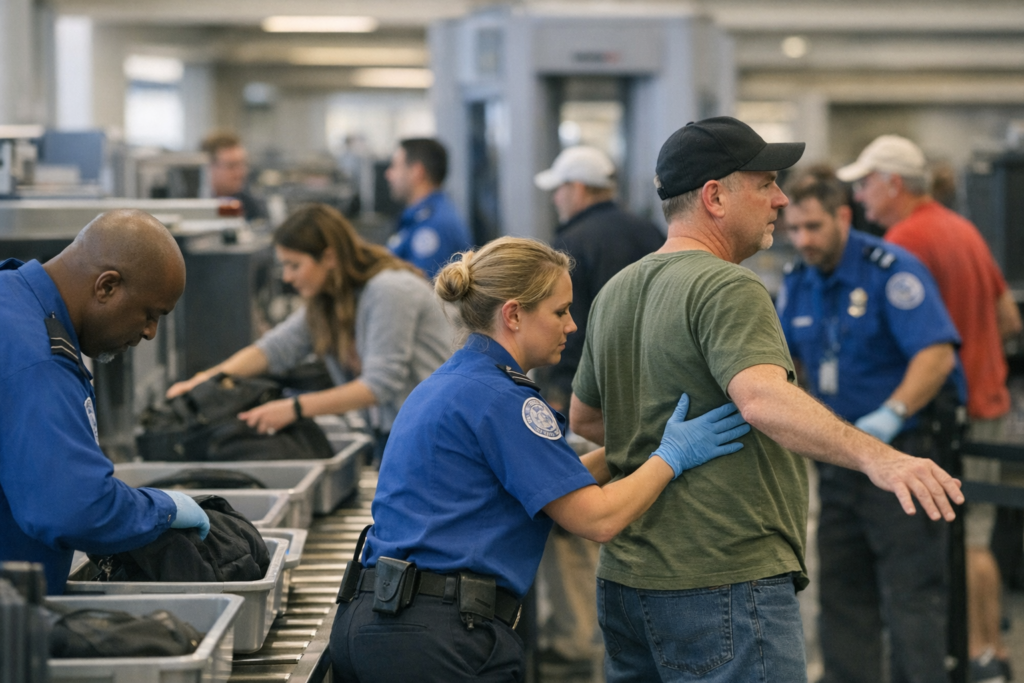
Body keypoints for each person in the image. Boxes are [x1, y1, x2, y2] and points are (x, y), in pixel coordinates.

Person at [568, 116, 965, 683]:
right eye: (764, 183)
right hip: (722, 578)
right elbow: (761, 400)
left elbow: (587, 418)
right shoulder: (727, 285)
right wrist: (882, 456)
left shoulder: (617, 290)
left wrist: (658, 441)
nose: (780, 199)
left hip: (630, 584)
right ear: (715, 197)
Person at [328, 236, 752, 683]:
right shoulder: (504, 400)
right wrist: (671, 456)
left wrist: (633, 450)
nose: (571, 326)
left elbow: (554, 487)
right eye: (560, 311)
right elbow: (596, 519)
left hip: (374, 622)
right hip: (438, 641)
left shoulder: (453, 382)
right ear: (513, 314)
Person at [839, 134, 1023, 682]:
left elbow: (920, 343)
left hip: (953, 412)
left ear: (894, 184)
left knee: (962, 541)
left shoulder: (906, 240)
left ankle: (981, 653)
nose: (861, 196)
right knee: (978, 535)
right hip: (989, 399)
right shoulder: (960, 226)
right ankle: (990, 649)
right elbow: (1009, 320)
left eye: (867, 183)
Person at [777, 170, 964, 683]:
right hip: (841, 463)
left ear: (842, 216)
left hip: (904, 456)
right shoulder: (798, 282)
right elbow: (787, 360)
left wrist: (893, 413)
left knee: (912, 598)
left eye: (813, 227)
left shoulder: (890, 269)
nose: (803, 240)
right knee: (841, 594)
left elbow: (935, 353)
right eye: (793, 229)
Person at [0, 210, 211, 594]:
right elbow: (71, 509)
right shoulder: (36, 358)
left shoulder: (14, 298)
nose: (150, 333)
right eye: (150, 314)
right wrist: (161, 509)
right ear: (107, 286)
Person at [166, 203, 453, 460]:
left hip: (438, 441)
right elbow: (274, 349)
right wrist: (207, 381)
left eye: (295, 265)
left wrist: (294, 408)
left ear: (328, 257)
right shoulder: (327, 301)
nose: (288, 277)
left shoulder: (389, 290)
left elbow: (379, 384)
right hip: (397, 437)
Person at [532, 145, 663, 411]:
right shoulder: (650, 232)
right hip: (654, 384)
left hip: (591, 394)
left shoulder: (571, 243)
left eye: (559, 189)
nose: (555, 199)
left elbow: (569, 322)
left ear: (578, 188)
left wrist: (558, 390)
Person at [385, 137, 472, 278]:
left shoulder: (435, 225)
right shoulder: (419, 217)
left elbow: (421, 292)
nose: (388, 174)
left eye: (394, 166)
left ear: (417, 171)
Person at [201, 129, 267, 222]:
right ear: (209, 167)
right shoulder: (187, 206)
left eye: (243, 164)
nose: (240, 173)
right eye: (231, 166)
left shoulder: (250, 206)